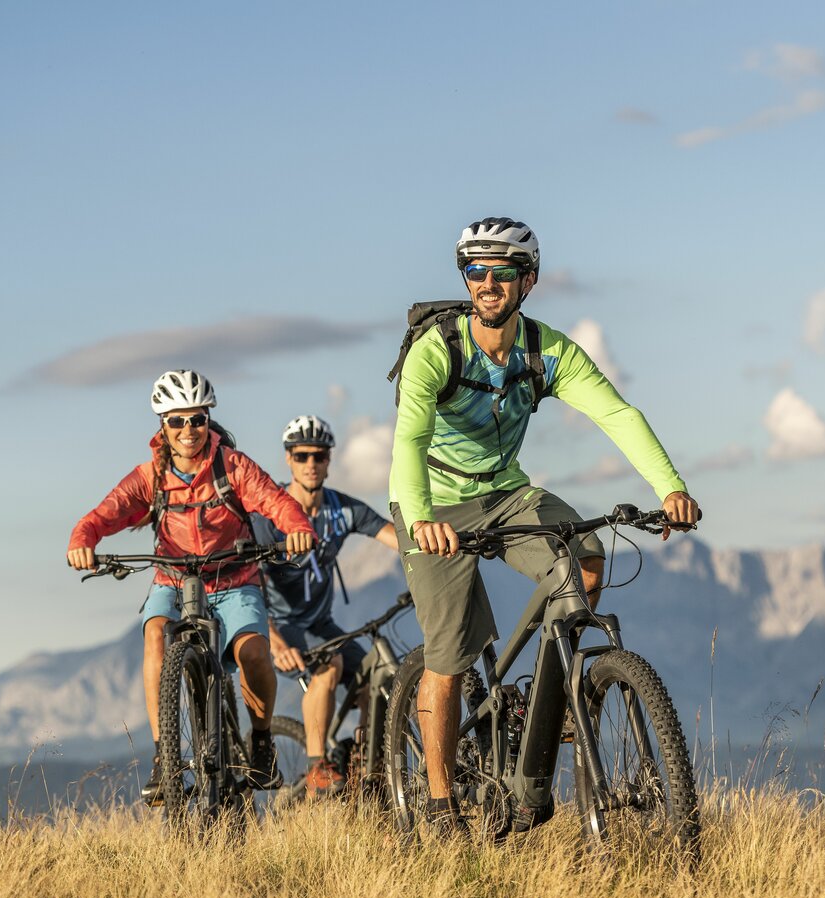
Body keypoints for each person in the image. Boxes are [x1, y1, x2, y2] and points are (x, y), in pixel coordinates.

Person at [390, 217, 701, 837]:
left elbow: (615, 411)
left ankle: (547, 700)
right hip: (433, 501)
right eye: (474, 271)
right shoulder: (437, 351)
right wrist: (422, 517)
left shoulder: (545, 350)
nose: (486, 284)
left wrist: (669, 486)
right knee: (449, 654)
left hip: (506, 491)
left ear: (526, 281)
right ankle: (440, 799)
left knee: (584, 556)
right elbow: (409, 439)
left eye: (501, 272)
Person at [67, 370, 316, 806]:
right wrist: (82, 540)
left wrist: (295, 527)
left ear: (208, 420)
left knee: (254, 652)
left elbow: (275, 500)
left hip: (234, 579)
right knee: (155, 636)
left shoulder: (233, 467)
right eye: (177, 421)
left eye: (197, 420)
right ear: (162, 425)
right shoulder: (150, 476)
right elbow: (106, 513)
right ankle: (166, 757)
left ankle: (261, 744)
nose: (188, 431)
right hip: (173, 579)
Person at [251, 415, 400, 798]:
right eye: (302, 456)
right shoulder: (270, 516)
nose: (311, 463)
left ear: (330, 459)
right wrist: (274, 642)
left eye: (319, 455)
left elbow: (394, 537)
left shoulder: (341, 510)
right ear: (288, 459)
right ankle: (318, 765)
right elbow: (245, 583)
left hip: (322, 622)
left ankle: (366, 763)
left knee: (375, 676)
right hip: (282, 626)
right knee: (329, 665)